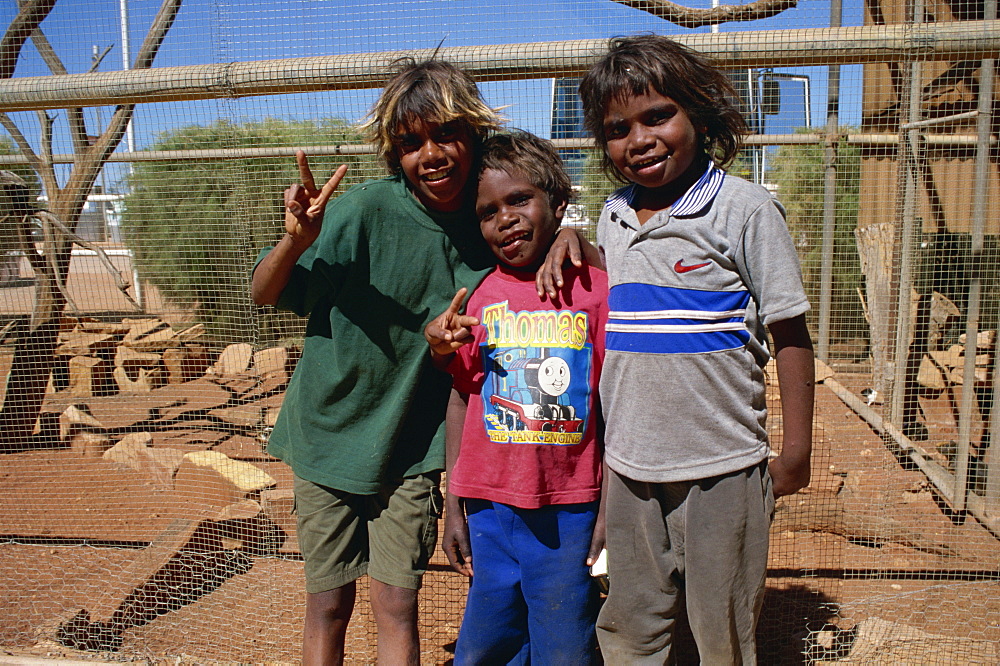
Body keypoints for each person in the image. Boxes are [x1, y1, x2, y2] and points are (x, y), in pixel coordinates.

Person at [541, 35, 816, 663]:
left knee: (721, 629)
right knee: (631, 626)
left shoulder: (744, 211)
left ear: (699, 112)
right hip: (631, 469)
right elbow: (610, 274)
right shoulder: (612, 216)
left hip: (723, 468)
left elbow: (790, 331)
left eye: (658, 115)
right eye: (617, 128)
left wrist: (796, 452)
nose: (639, 139)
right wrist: (571, 240)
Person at [251, 58, 502, 665]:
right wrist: (296, 241)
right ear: (395, 153)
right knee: (329, 605)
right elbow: (265, 293)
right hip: (328, 438)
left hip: (412, 451)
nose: (432, 154)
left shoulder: (490, 221)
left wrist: (570, 240)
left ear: (473, 133)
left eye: (446, 133)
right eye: (411, 142)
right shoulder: (361, 212)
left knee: (396, 606)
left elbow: (548, 232)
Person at [424, 130, 608, 665]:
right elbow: (464, 397)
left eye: (519, 199)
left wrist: (609, 507)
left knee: (564, 638)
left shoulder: (595, 290)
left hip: (570, 510)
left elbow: (613, 401)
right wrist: (455, 500)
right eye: (487, 211)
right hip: (489, 507)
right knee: (488, 640)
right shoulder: (478, 298)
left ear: (558, 203)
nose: (504, 218)